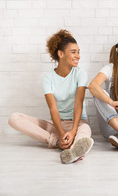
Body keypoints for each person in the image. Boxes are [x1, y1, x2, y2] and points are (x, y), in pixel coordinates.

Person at [8, 29, 94, 164]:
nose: (78, 55)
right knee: (14, 118)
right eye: (73, 52)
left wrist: (72, 131)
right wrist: (60, 134)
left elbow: (79, 103)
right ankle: (58, 143)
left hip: (77, 124)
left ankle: (75, 148)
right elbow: (53, 108)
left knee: (85, 130)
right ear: (60, 54)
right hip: (56, 125)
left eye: (78, 52)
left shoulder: (80, 73)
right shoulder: (48, 78)